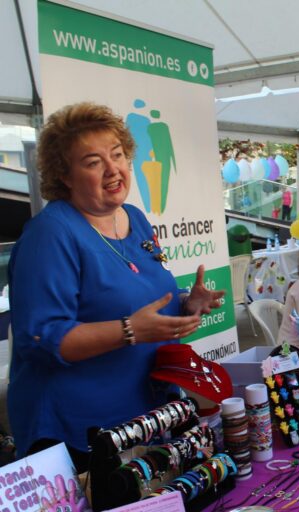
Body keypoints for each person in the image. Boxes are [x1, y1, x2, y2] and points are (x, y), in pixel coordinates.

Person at [7, 103, 224, 471]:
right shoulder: (50, 234)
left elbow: (136, 297)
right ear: (64, 176)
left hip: (147, 416)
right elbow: (40, 338)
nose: (113, 169)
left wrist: (186, 304)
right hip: (80, 432)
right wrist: (129, 330)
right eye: (93, 162)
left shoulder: (134, 217)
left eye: (118, 154)